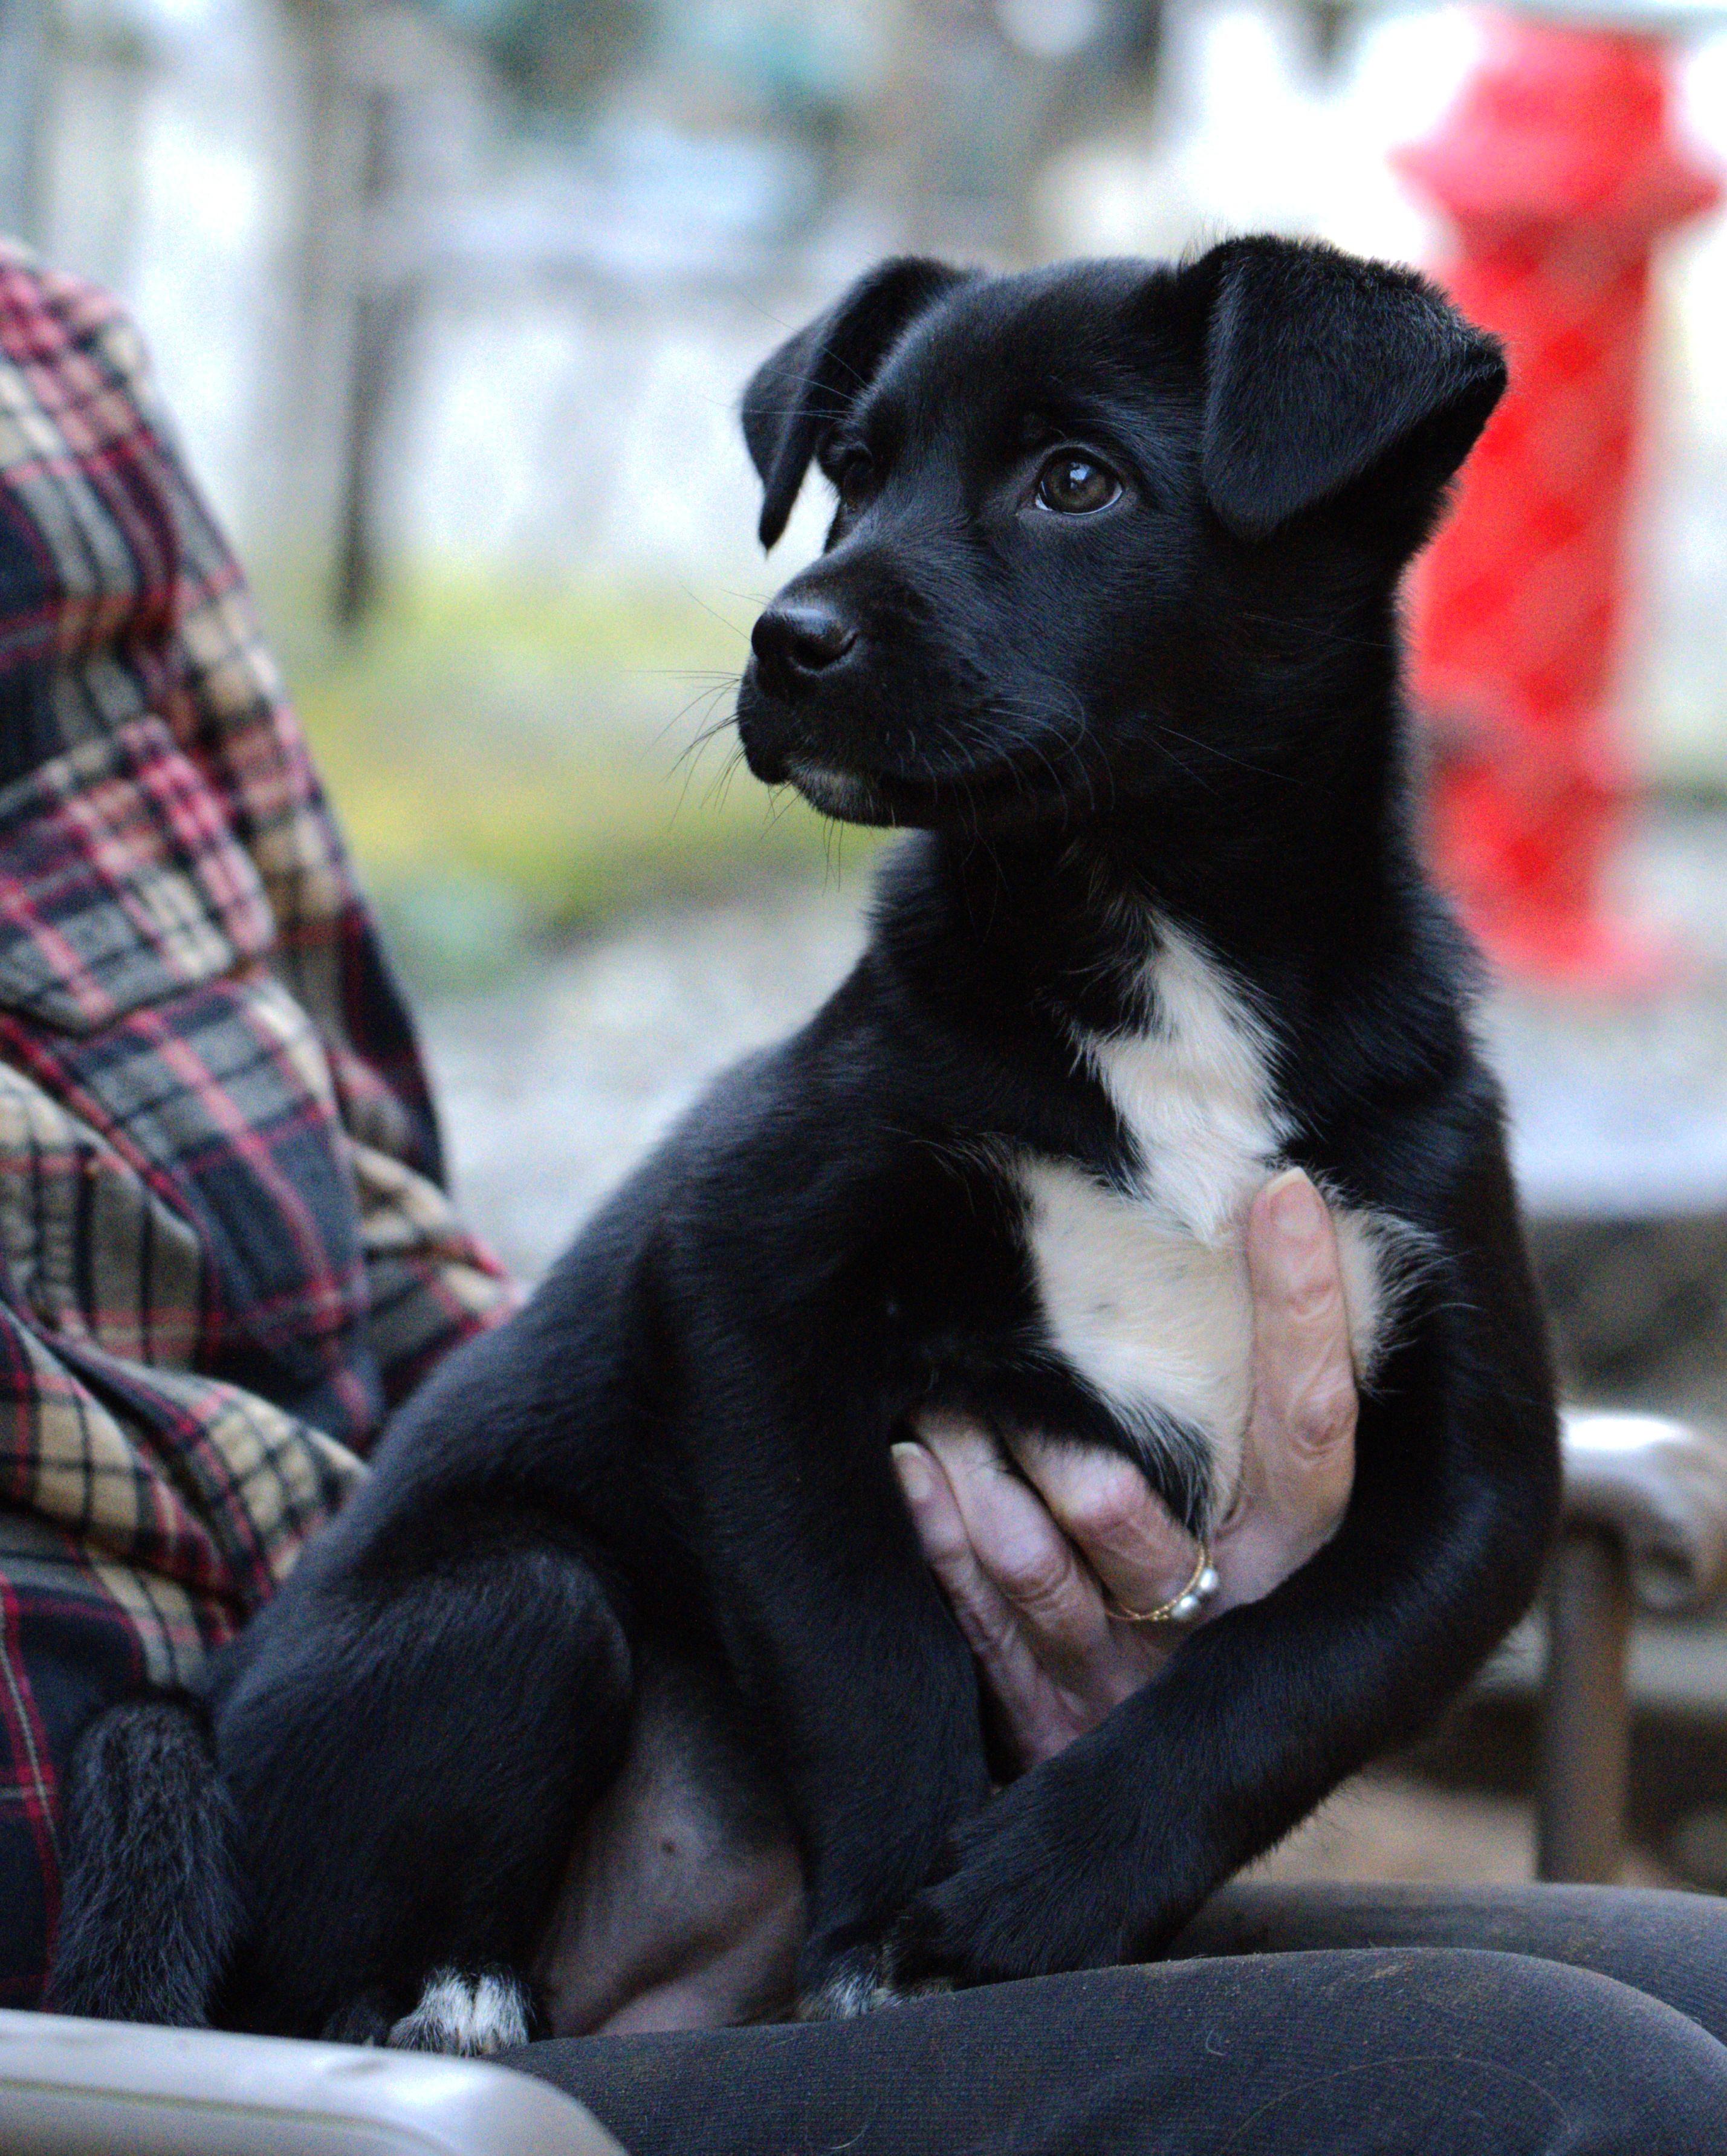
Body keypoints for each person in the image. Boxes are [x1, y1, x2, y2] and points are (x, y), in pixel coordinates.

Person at [2, 239, 1725, 2153]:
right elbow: (726, 1337)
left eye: (1067, 482)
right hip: (451, 1872)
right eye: (856, 484)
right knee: (1593, 2098)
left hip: (937, 1861)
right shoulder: (912, 1065)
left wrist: (1120, 1819)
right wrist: (903, 1876)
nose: (826, 592)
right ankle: (444, 1985)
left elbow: (1468, 1504)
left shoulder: (1387, 1093)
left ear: (1349, 508)